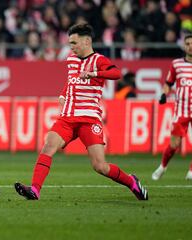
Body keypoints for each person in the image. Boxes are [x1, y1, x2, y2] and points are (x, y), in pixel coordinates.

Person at [15, 23, 148, 200]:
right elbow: (71, 81)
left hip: (89, 118)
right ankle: (35, 190)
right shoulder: (71, 60)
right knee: (48, 146)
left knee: (100, 166)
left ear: (86, 41)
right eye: (70, 43)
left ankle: (131, 182)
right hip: (68, 117)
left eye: (74, 43)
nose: (72, 47)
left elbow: (116, 74)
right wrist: (62, 95)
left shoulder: (99, 60)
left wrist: (94, 74)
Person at [152, 34, 192, 181]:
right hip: (182, 109)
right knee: (174, 144)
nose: (190, 46)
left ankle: (191, 171)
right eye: (187, 43)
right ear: (184, 46)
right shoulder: (177, 64)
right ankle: (163, 167)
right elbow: (168, 83)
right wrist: (164, 94)